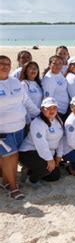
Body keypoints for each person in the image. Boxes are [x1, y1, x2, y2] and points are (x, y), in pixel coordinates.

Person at [0, 55, 40, 199]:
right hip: (3, 131)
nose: (5, 66)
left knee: (9, 158)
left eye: (7, 64)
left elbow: (27, 101)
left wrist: (41, 115)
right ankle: (13, 188)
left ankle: (5, 181)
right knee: (11, 157)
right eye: (1, 63)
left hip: (19, 128)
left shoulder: (16, 82)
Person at [19, 97, 63, 187]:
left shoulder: (58, 120)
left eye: (54, 108)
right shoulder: (37, 123)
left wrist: (59, 155)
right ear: (42, 109)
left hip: (47, 152)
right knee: (45, 167)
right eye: (48, 108)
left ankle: (30, 170)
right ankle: (31, 180)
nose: (52, 110)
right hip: (29, 151)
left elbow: (61, 138)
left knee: (55, 176)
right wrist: (49, 159)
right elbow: (41, 144)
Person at [41, 55, 69, 121]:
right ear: (49, 65)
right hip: (57, 112)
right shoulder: (49, 79)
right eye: (54, 63)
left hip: (64, 110)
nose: (57, 66)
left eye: (60, 63)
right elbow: (48, 98)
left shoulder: (59, 73)